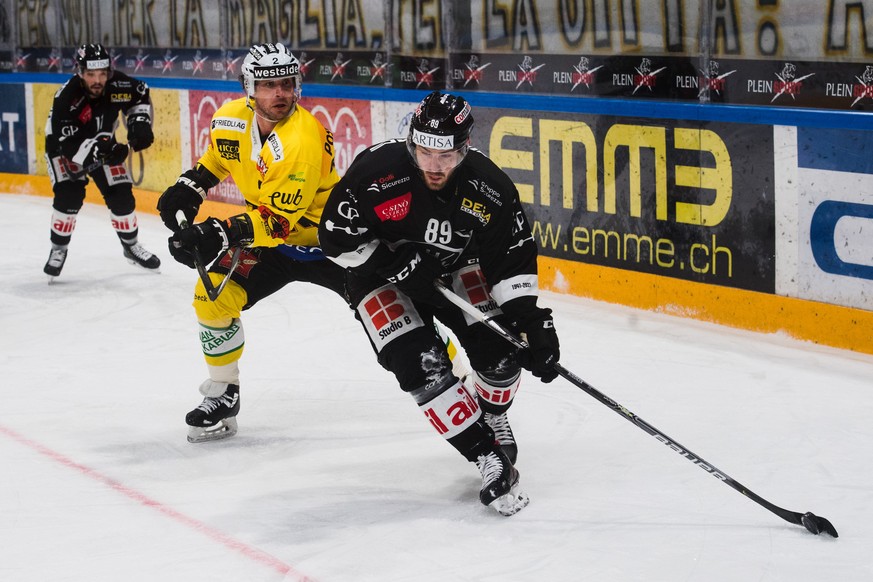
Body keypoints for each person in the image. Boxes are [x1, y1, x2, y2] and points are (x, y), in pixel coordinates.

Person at [317, 91, 561, 516]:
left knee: (504, 354)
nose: (433, 164)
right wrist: (390, 262)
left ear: (464, 148)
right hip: (376, 278)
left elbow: (511, 260)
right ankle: (486, 456)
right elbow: (334, 237)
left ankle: (490, 412)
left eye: (445, 155)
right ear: (411, 141)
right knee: (420, 366)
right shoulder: (377, 171)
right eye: (424, 150)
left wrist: (534, 323)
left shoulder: (490, 188)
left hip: (453, 269)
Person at [156, 42, 348, 444]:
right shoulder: (229, 119)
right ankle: (225, 391)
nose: (279, 93)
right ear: (249, 88)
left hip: (329, 241)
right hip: (267, 240)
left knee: (395, 308)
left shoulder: (303, 140)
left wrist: (217, 233)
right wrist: (192, 185)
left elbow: (278, 221)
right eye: (268, 85)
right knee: (212, 299)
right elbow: (219, 159)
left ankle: (457, 377)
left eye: (286, 84)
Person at [43, 43, 160, 278]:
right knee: (69, 195)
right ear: (80, 72)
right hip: (63, 148)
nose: (97, 80)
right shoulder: (67, 98)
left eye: (102, 74)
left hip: (104, 143)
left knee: (121, 195)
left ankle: (131, 246)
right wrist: (105, 151)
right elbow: (70, 145)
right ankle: (58, 248)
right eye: (91, 74)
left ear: (108, 71)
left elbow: (140, 93)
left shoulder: (118, 84)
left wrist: (140, 122)